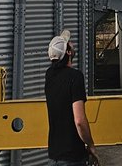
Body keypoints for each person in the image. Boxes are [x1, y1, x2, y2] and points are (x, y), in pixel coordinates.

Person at [45, 29, 99, 166]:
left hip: (54, 154)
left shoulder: (49, 76)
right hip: (73, 156)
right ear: (68, 52)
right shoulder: (75, 77)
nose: (73, 43)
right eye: (69, 43)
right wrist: (90, 144)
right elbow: (79, 120)